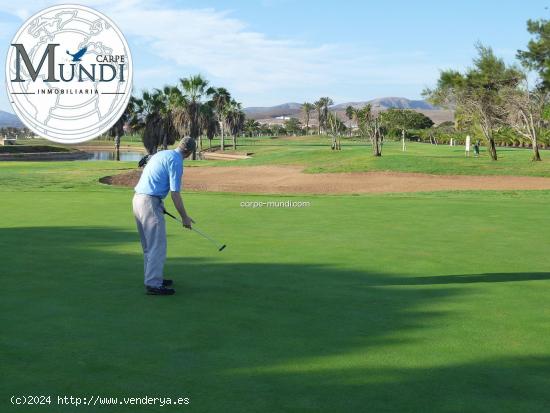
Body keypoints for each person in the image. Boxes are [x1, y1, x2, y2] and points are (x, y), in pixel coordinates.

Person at [132, 137, 196, 295]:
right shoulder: (176, 161)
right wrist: (184, 217)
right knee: (157, 245)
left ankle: (154, 277)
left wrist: (158, 204)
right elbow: (175, 194)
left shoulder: (162, 153)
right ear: (188, 152)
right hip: (149, 201)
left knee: (148, 245)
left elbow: (149, 162)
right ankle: (153, 283)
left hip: (138, 199)